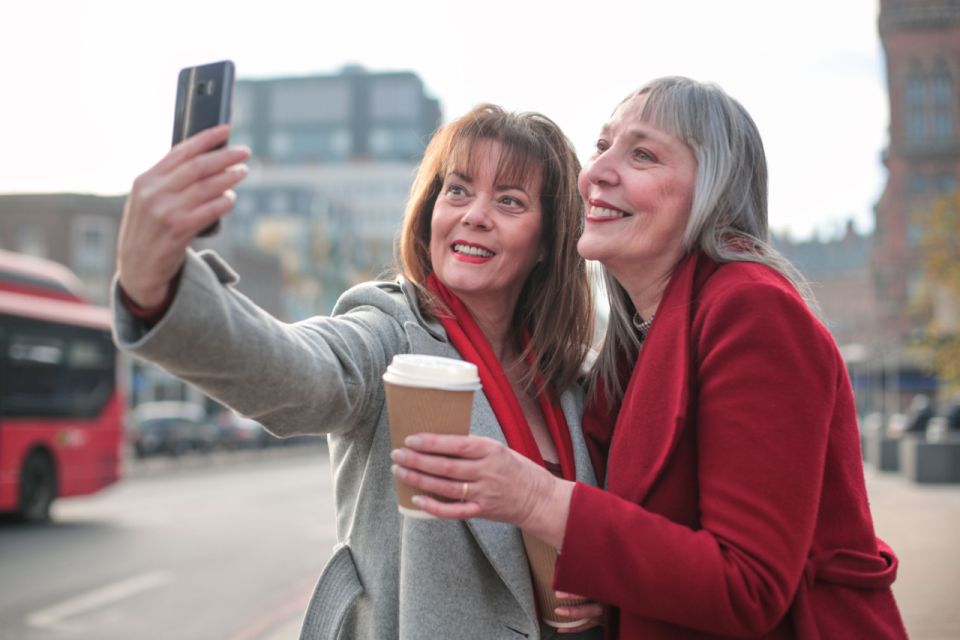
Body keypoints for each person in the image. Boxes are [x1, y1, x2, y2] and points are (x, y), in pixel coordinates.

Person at [391, 77, 909, 638]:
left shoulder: (754, 310)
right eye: (602, 146)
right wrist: (602, 584)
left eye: (642, 154)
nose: (595, 174)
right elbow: (648, 541)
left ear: (712, 191)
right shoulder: (636, 338)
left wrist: (535, 497)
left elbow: (749, 586)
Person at [111, 105, 604, 639]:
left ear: (546, 242)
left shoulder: (570, 381)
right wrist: (157, 291)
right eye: (458, 190)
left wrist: (603, 577)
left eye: (509, 200)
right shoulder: (388, 334)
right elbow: (294, 368)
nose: (474, 214)